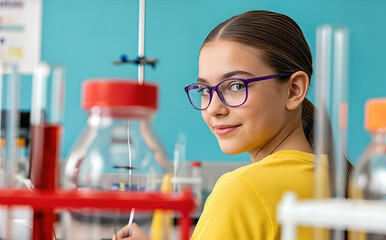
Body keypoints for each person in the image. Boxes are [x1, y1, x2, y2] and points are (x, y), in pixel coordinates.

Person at [114, 10, 352, 240]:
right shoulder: (341, 182)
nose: (214, 109)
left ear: (294, 89)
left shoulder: (241, 189)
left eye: (236, 86)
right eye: (205, 90)